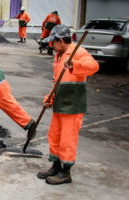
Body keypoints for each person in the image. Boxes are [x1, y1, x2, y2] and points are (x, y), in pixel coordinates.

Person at [38, 25, 99, 185]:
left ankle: (66, 172)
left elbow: (94, 67)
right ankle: (56, 165)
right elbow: (57, 81)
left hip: (73, 103)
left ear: (60, 40)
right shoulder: (58, 55)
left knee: (67, 138)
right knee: (55, 135)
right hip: (60, 100)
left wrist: (75, 65)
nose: (51, 45)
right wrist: (50, 97)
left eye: (53, 42)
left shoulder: (78, 52)